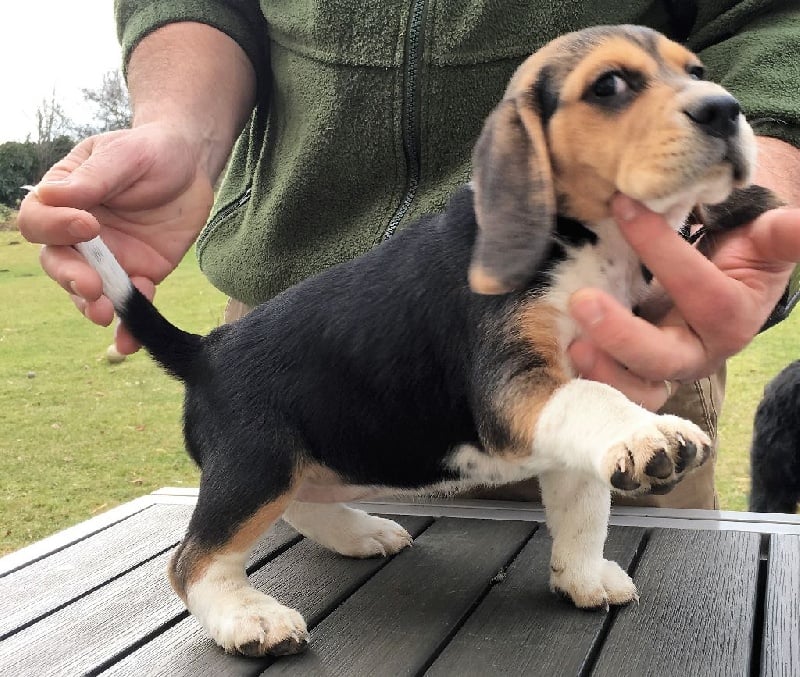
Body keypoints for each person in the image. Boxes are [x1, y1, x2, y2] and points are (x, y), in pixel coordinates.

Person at [18, 2, 800, 509]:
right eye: (615, 87)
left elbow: (773, 19)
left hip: (631, 343)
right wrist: (181, 131)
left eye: (695, 80)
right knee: (326, 611)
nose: (705, 98)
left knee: (642, 632)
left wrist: (752, 184)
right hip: (309, 353)